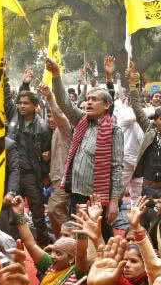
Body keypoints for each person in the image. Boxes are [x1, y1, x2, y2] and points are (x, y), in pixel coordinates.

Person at [48, 57, 124, 226]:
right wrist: (56, 75)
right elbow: (65, 103)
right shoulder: (82, 121)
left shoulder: (114, 131)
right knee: (80, 233)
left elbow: (117, 168)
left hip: (98, 197)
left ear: (106, 106)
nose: (88, 102)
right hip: (76, 192)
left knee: (99, 236)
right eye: (88, 99)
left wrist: (114, 201)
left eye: (94, 99)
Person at [11, 195, 89, 285]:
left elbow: (81, 255)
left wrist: (83, 226)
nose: (52, 256)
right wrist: (19, 215)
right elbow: (30, 244)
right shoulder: (51, 266)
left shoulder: (78, 272)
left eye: (58, 254)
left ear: (72, 258)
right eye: (53, 252)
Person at [4, 75, 52, 246]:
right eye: (20, 103)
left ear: (35, 106)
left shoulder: (43, 127)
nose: (22, 106)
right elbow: (5, 96)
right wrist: (3, 75)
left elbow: (47, 155)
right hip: (13, 175)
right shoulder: (13, 116)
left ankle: (45, 249)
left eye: (26, 103)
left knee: (38, 215)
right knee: (12, 216)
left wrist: (45, 176)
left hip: (32, 176)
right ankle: (12, 248)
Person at [127, 64, 161, 199]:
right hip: (148, 189)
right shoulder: (149, 130)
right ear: (155, 121)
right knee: (146, 219)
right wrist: (133, 86)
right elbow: (138, 110)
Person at [39, 84, 72, 238]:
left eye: (53, 116)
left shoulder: (64, 128)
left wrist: (50, 98)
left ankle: (69, 242)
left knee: (53, 210)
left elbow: (59, 115)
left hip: (63, 180)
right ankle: (63, 244)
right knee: (58, 212)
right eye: (49, 116)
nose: (51, 119)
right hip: (56, 179)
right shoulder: (54, 132)